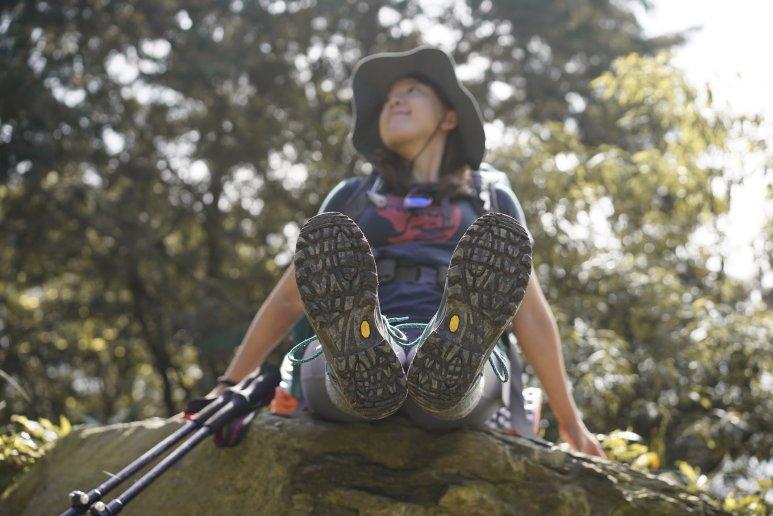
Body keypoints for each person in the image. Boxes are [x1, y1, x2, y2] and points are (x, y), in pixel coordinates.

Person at [208, 46, 604, 457]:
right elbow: (292, 295)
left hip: (466, 363)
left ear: (450, 117)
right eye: (387, 99)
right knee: (357, 362)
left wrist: (572, 425)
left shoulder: (489, 198)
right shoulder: (353, 196)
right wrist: (228, 384)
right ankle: (366, 352)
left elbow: (529, 312)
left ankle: (445, 352)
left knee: (449, 375)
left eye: (411, 90)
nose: (393, 100)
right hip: (348, 353)